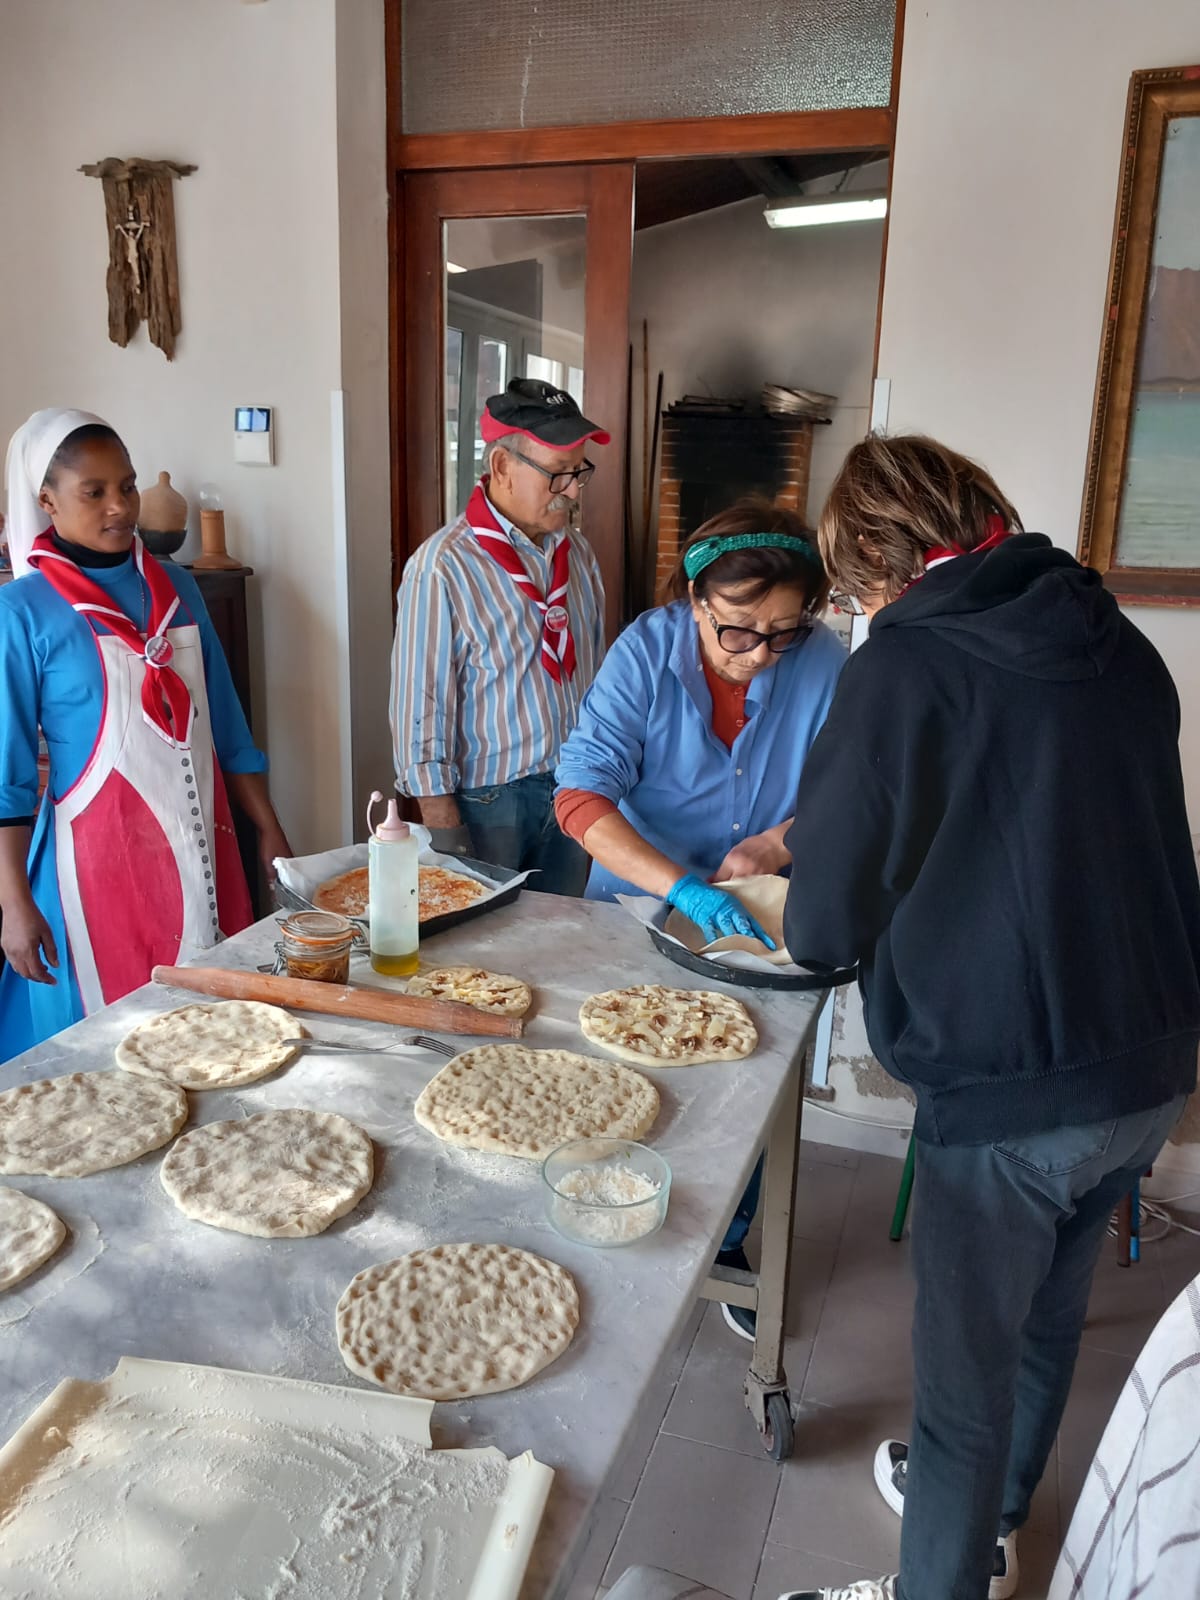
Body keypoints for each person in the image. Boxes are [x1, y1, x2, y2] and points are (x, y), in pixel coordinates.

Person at [774, 435, 1200, 1600]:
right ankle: (1006, 1501)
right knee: (1048, 1310)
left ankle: (945, 1578)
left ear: (874, 557)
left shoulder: (906, 667)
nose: (858, 609)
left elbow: (820, 926)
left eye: (854, 587)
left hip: (1010, 1086)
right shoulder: (1112, 638)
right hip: (1151, 1058)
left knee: (956, 1390)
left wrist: (809, 871)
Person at [554, 500, 847, 1334]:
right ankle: (608, 1221)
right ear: (695, 601)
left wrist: (780, 844)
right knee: (622, 1081)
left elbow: (854, 789)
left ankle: (727, 1242)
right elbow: (580, 794)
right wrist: (680, 886)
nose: (761, 655)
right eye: (739, 632)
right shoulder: (644, 654)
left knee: (743, 1096)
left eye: (783, 631)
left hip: (759, 922)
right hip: (636, 910)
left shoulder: (826, 663)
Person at [0, 409, 292, 1062]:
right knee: (112, 1052)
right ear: (46, 500)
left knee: (212, 1039)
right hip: (94, 867)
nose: (120, 507)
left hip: (203, 851)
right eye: (94, 491)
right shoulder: (22, 613)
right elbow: (8, 777)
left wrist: (266, 826)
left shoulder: (178, 588)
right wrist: (12, 903)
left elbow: (228, 726)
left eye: (126, 486)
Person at [389, 377, 609, 895]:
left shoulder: (577, 556)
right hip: (488, 803)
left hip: (574, 789)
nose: (574, 490)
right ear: (503, 466)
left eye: (579, 472)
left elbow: (596, 673)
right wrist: (443, 825)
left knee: (563, 938)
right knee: (488, 952)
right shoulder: (442, 567)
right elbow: (420, 704)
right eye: (558, 475)